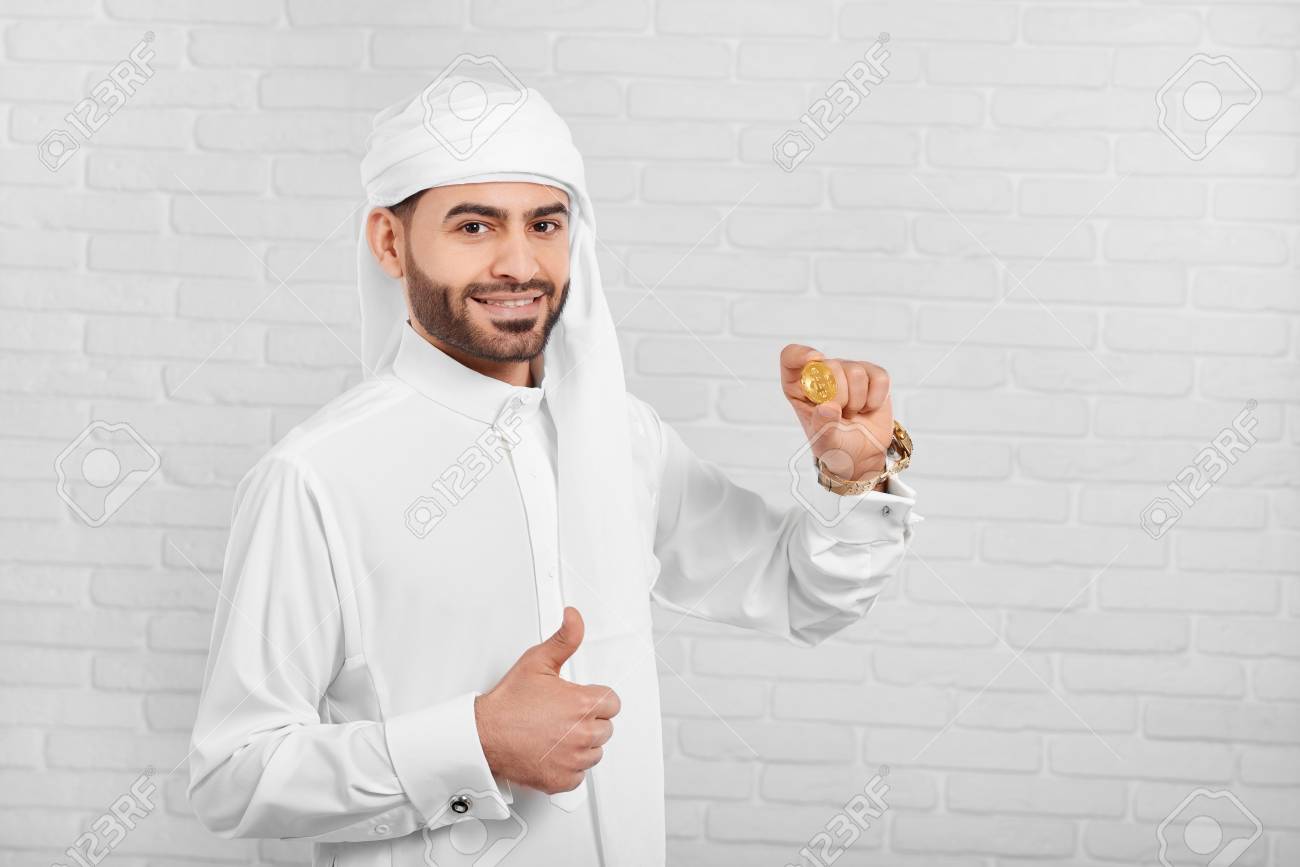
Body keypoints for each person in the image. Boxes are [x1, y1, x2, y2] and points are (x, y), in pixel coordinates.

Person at [186, 75, 923, 867]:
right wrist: (476, 744)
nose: (519, 262)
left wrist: (851, 476)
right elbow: (233, 776)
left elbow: (799, 593)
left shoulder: (619, 435)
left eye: (545, 224)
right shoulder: (313, 476)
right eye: (474, 225)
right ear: (390, 243)